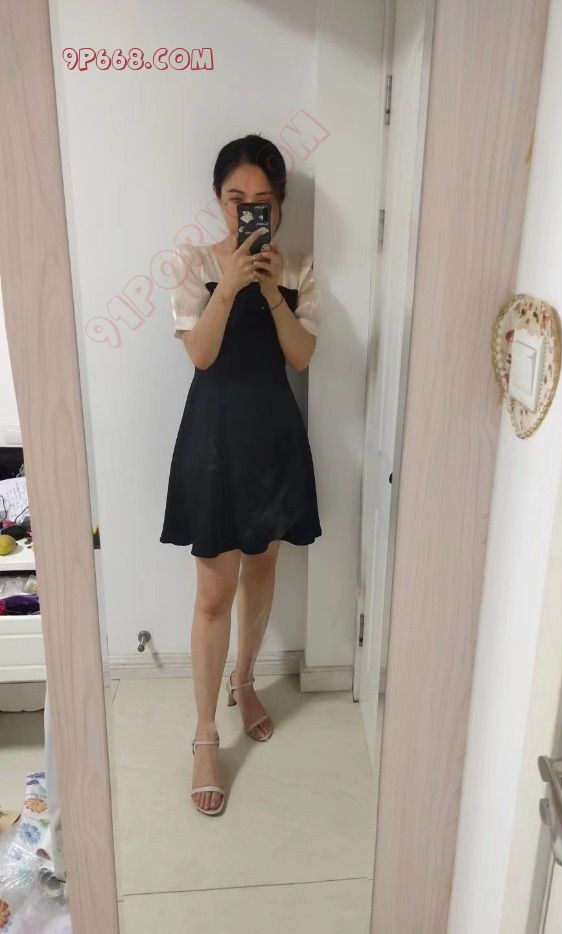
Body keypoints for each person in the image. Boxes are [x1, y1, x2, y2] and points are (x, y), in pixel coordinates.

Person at [159, 134, 322, 816]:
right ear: (219, 201)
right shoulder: (193, 262)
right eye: (236, 200)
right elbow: (200, 355)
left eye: (262, 201)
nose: (249, 212)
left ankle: (245, 680)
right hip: (214, 441)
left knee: (264, 568)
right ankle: (205, 735)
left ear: (278, 206)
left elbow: (301, 357)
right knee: (212, 593)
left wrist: (274, 292)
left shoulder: (299, 269)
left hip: (273, 438)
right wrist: (228, 283)